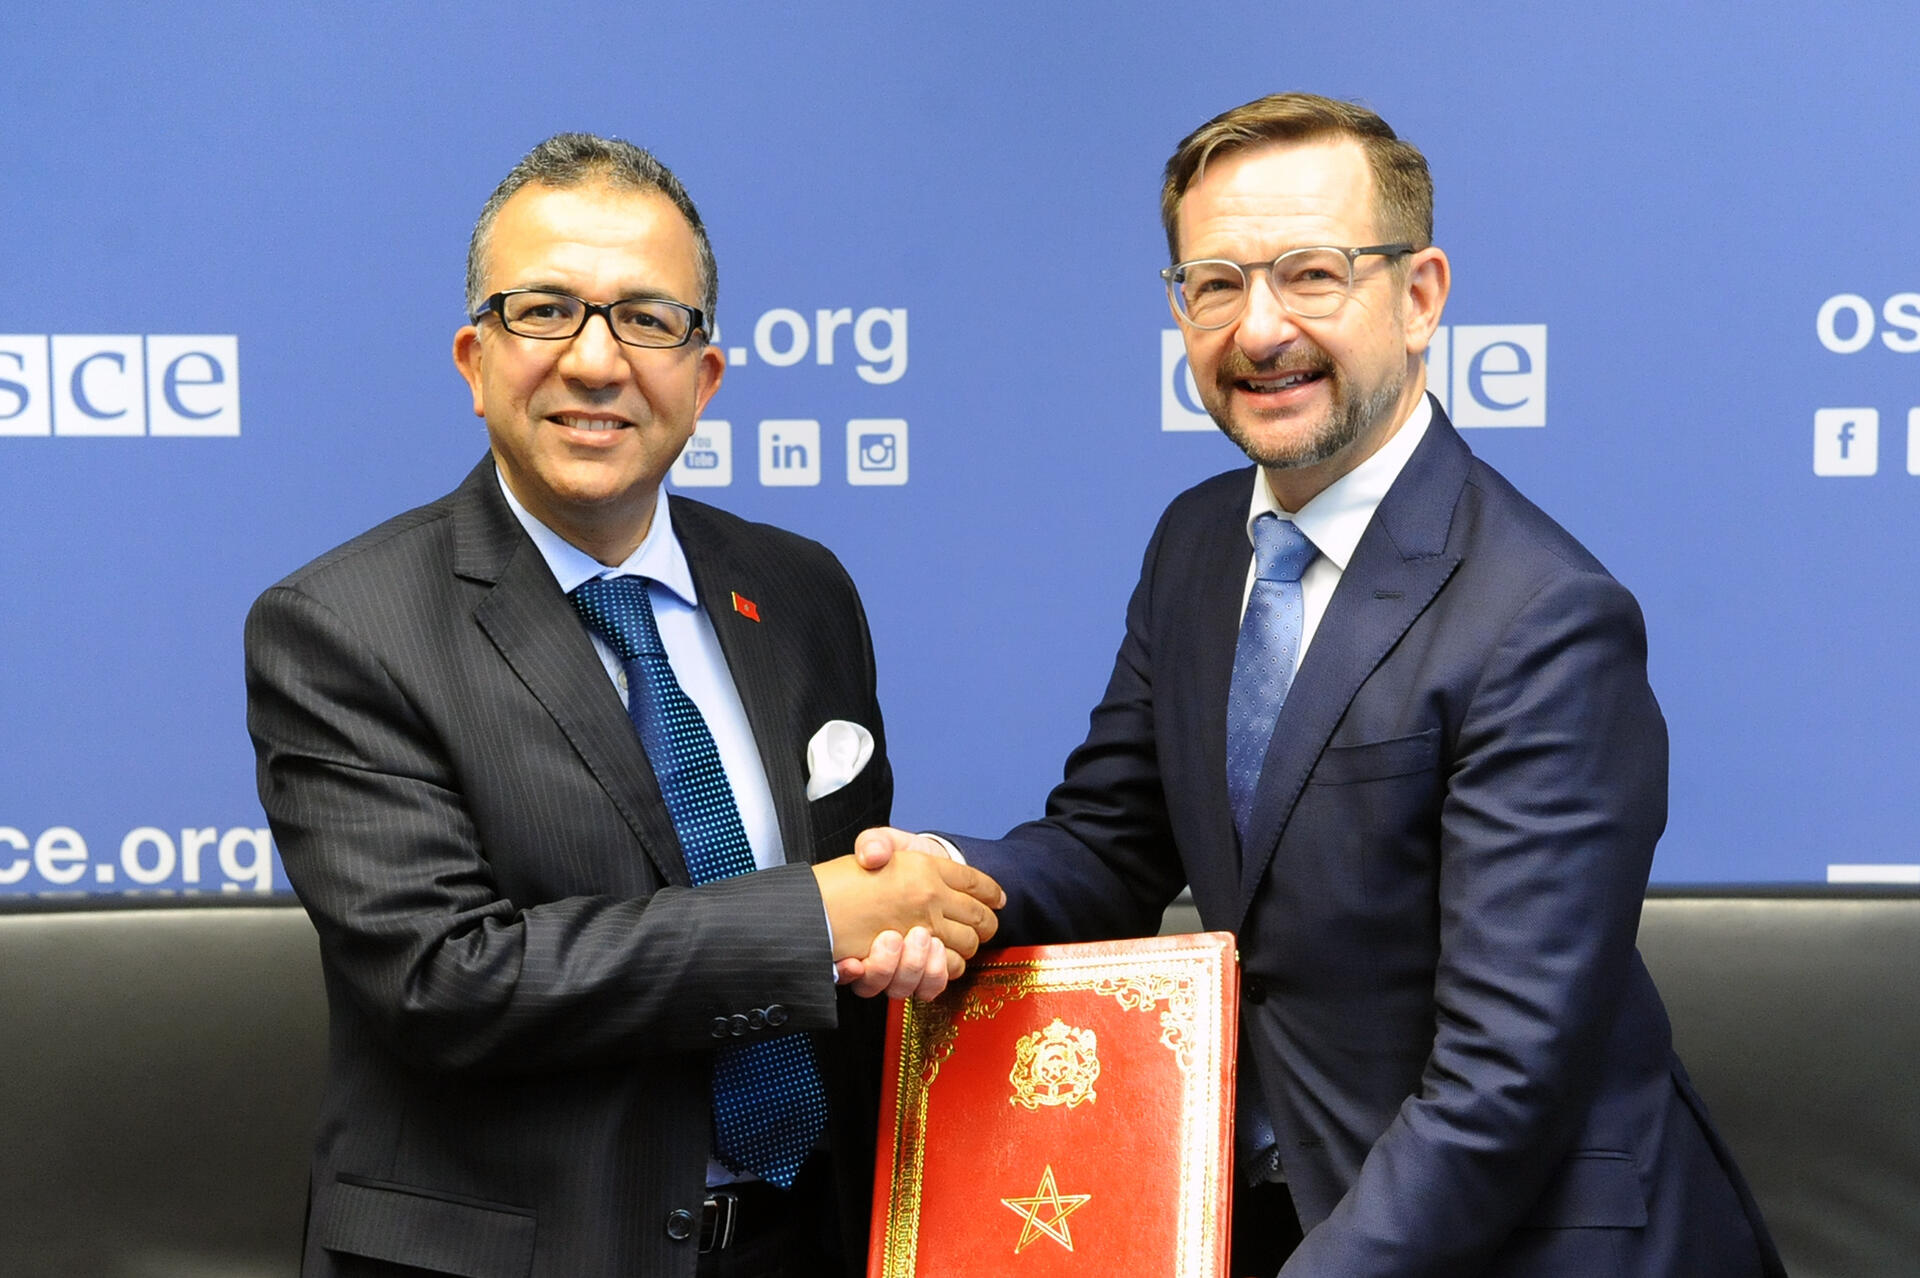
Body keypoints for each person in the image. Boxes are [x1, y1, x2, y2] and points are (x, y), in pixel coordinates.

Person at [855, 93, 1785, 1276]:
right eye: (1215, 284)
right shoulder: (1198, 543)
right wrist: (943, 882)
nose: (1259, 330)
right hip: (1275, 1203)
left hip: (1517, 1239)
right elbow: (1108, 845)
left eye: (1311, 275)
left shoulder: (1542, 618)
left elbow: (1505, 1077)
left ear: (1420, 296)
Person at [245, 133, 1002, 1278]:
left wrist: (901, 927)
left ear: (705, 378)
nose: (597, 363)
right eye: (546, 311)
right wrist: (808, 922)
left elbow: (853, 917)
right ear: (474, 360)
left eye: (647, 319)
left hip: (810, 1238)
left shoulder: (800, 591)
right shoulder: (342, 627)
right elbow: (443, 981)